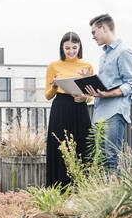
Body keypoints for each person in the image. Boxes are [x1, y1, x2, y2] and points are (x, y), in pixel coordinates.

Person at [86, 14, 132, 171]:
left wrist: (106, 94)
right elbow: (105, 85)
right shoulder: (103, 57)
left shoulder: (124, 52)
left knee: (111, 159)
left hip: (114, 114)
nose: (93, 37)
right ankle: (103, 194)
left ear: (104, 28)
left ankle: (114, 193)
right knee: (101, 161)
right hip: (99, 114)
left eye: (94, 32)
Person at [45, 32, 94, 187]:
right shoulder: (53, 66)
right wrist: (54, 86)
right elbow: (47, 95)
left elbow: (92, 94)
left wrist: (85, 98)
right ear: (62, 47)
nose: (71, 51)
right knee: (60, 146)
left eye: (74, 47)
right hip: (60, 108)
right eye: (67, 48)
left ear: (79, 47)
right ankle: (59, 187)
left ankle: (82, 187)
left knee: (83, 146)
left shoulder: (87, 66)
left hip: (80, 108)